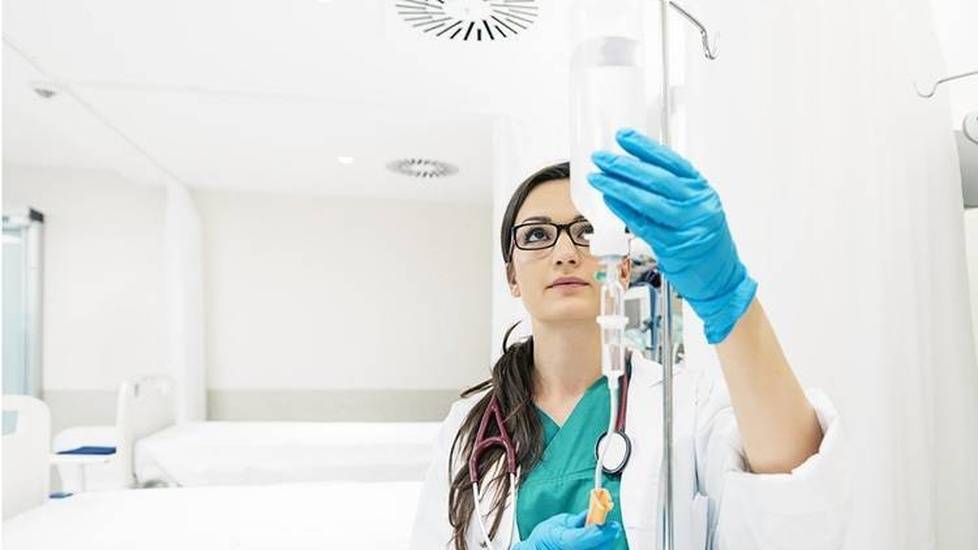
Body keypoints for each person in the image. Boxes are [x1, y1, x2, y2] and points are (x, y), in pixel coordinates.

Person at [409, 129, 849, 549]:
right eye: (537, 235)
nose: (565, 252)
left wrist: (729, 298)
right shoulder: (470, 427)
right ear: (512, 276)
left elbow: (793, 508)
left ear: (620, 266)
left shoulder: (686, 404)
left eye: (587, 232)